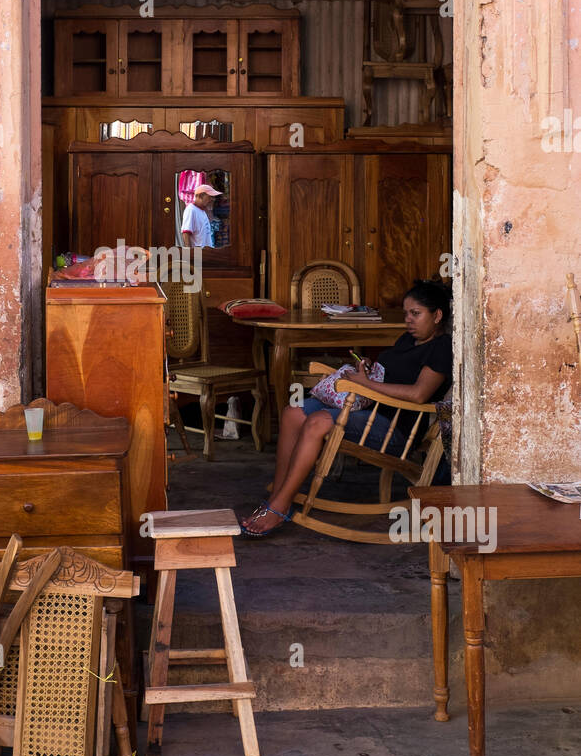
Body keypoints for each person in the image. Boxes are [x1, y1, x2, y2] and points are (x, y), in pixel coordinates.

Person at [240, 278, 452, 538]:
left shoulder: (441, 348)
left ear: (438, 315)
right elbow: (392, 374)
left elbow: (419, 395)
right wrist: (367, 370)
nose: (408, 319)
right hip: (371, 411)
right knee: (293, 412)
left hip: (395, 429)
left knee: (318, 421)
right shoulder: (408, 340)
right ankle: (276, 497)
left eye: (415, 314)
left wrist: (366, 385)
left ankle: (279, 507)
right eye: (407, 312)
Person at [180, 182, 220, 249]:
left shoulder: (201, 210)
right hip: (198, 254)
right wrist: (190, 253)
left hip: (205, 253)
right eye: (209, 197)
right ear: (201, 196)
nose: (211, 199)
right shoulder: (191, 210)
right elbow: (186, 233)